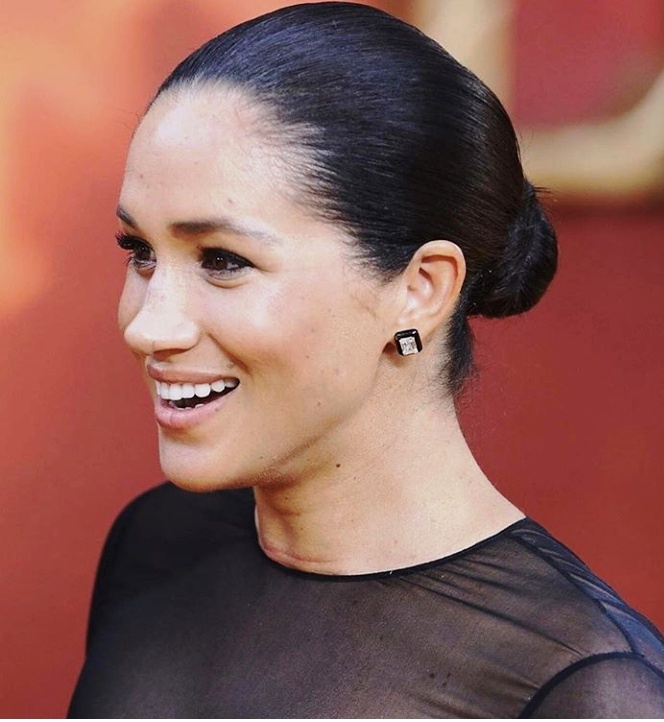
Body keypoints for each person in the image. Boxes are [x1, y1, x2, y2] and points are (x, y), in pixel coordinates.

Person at [68, 2, 664, 717]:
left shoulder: (583, 685)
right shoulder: (157, 546)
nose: (147, 326)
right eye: (139, 251)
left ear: (419, 290)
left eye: (222, 260)